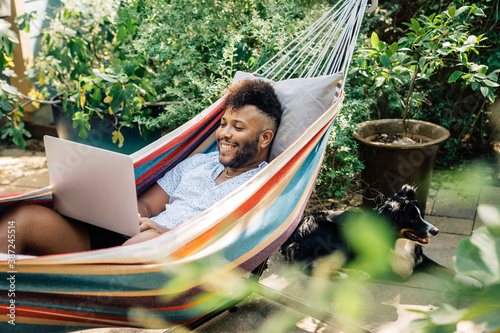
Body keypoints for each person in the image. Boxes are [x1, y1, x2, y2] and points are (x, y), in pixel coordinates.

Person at [0, 79, 282, 255]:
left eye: (238, 127)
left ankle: (47, 294)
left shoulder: (262, 186)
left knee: (138, 247)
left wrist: (163, 233)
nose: (224, 134)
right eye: (223, 124)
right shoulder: (197, 163)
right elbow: (147, 206)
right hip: (129, 240)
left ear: (264, 138)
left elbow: (226, 243)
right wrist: (119, 213)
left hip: (169, 259)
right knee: (21, 219)